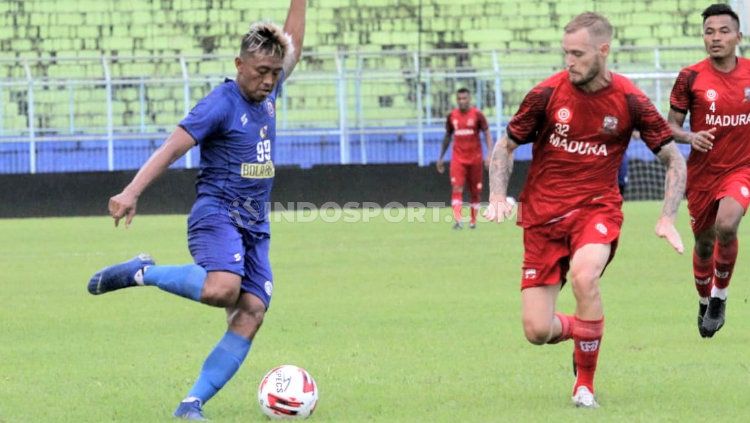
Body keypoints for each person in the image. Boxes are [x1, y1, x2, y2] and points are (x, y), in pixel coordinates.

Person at [86, 1, 306, 419]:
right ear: (239, 64)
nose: (269, 80)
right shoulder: (219, 104)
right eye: (261, 71)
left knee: (251, 312)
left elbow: (292, 44)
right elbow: (172, 149)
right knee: (223, 288)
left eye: (275, 73)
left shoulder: (269, 88)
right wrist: (132, 191)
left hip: (255, 225)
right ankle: (142, 272)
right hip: (217, 213)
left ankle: (191, 404)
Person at [484, 12, 686, 408]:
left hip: (596, 210)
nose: (569, 62)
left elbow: (674, 160)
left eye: (577, 54)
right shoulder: (545, 94)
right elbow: (504, 146)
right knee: (537, 331)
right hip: (542, 218)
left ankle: (585, 385)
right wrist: (495, 194)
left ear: (603, 50)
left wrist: (668, 217)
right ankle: (589, 331)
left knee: (584, 277)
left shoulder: (630, 100)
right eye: (565, 53)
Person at [668, 3, 749, 338]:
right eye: (709, 31)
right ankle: (703, 299)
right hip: (702, 173)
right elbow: (670, 126)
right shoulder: (690, 76)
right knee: (703, 245)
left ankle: (719, 298)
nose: (716, 38)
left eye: (723, 31)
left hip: (742, 168)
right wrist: (689, 136)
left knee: (726, 225)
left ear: (738, 36)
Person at [436, 88, 493, 229]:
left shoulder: (477, 115)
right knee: (457, 187)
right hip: (458, 159)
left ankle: (473, 221)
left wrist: (490, 154)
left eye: (464, 98)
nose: (462, 101)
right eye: (459, 99)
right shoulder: (452, 116)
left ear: (469, 99)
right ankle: (458, 220)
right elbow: (447, 136)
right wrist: (441, 157)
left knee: (475, 191)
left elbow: (486, 133)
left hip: (475, 159)